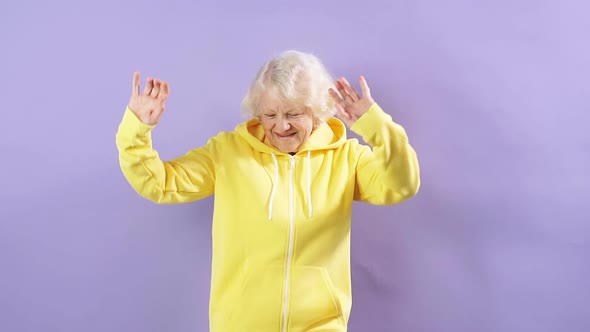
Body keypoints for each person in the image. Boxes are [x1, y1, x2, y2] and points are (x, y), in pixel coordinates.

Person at [115, 50, 420, 332]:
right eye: (270, 115)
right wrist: (137, 130)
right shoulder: (228, 152)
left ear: (317, 112)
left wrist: (377, 127)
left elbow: (400, 185)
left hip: (321, 325)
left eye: (293, 114)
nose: (281, 126)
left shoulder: (346, 157)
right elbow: (160, 184)